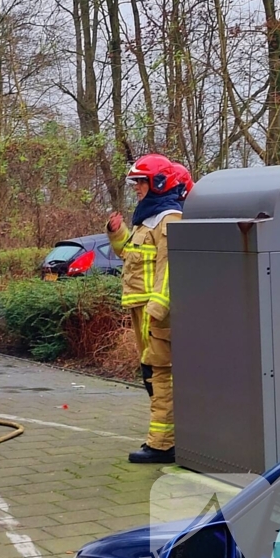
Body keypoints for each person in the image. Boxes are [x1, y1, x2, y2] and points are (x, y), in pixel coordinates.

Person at [107, 154, 183, 464]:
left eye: (140, 182)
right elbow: (130, 254)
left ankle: (163, 444)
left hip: (157, 314)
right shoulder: (148, 220)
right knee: (150, 372)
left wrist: (157, 308)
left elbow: (171, 267)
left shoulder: (170, 219)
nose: (136, 188)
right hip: (143, 310)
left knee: (160, 373)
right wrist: (118, 232)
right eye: (136, 183)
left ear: (158, 183)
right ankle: (162, 439)